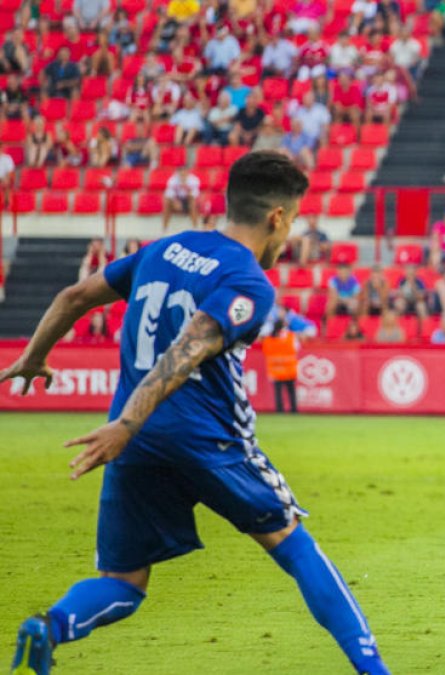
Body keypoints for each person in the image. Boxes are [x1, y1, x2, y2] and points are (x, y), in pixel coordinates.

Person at [2, 151, 389, 675]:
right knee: (296, 549)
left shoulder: (166, 248)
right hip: (209, 441)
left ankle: (50, 628)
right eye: (293, 221)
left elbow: (75, 296)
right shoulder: (249, 281)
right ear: (276, 217)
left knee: (123, 582)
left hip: (137, 444)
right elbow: (189, 346)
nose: (290, 233)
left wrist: (34, 356)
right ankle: (375, 670)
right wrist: (127, 423)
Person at [262, 318, 300, 414]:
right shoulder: (290, 336)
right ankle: (294, 410)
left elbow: (265, 350)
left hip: (276, 369)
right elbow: (297, 348)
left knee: (278, 391)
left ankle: (279, 410)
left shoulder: (268, 339)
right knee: (291, 391)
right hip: (288, 369)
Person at [163, 166, 201, 232]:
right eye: (181, 172)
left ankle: (195, 227)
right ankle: (165, 228)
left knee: (193, 203)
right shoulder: (172, 180)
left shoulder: (194, 180)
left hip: (188, 200)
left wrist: (186, 189)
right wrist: (175, 201)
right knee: (167, 203)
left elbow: (195, 195)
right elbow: (168, 194)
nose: (183, 174)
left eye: (184, 171)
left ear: (187, 172)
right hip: (177, 200)